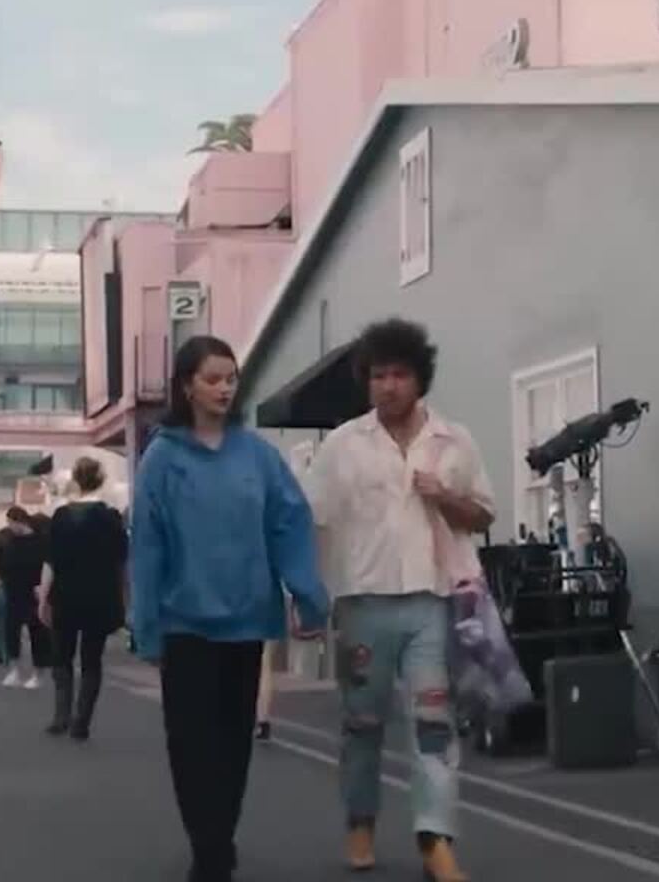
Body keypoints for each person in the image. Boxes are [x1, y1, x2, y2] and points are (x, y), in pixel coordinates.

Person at [131, 334, 330, 882]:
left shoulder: (257, 456)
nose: (224, 388)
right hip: (184, 623)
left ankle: (219, 838)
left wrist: (307, 595)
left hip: (246, 620)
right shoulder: (163, 459)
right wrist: (146, 626)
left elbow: (289, 523)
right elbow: (146, 545)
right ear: (187, 386)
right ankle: (209, 846)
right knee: (191, 746)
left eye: (231, 378)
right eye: (212, 379)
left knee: (233, 745)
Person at [304, 318, 495, 882]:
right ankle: (360, 821)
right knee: (362, 723)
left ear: (419, 378)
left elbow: (482, 515)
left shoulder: (454, 440)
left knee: (434, 722)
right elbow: (313, 520)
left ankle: (435, 839)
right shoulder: (343, 444)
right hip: (362, 603)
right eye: (378, 375)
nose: (388, 386)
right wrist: (308, 595)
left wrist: (445, 495)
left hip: (431, 602)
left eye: (399, 375)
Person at [39, 457, 130, 740]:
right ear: (101, 480)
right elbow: (122, 562)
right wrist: (125, 598)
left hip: (65, 595)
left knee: (62, 656)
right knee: (92, 659)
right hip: (99, 597)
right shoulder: (111, 518)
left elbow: (50, 562)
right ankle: (82, 721)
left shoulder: (60, 517)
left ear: (76, 480)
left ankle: (61, 716)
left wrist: (43, 598)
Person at [0, 505, 51, 689]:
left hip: (33, 591)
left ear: (19, 521)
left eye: (11, 523)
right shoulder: (9, 542)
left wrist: (43, 587)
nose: (10, 527)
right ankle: (14, 670)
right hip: (13, 591)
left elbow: (47, 565)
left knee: (37, 632)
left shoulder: (40, 542)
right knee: (12, 631)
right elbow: (0, 563)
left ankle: (38, 672)